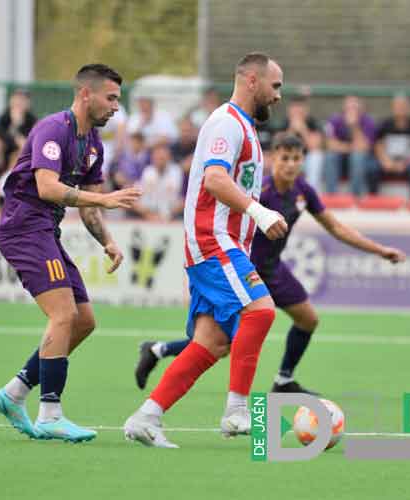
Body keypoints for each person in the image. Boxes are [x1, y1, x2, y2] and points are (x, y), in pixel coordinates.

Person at [133, 133, 405, 394]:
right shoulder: (259, 192)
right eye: (285, 158)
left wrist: (379, 250)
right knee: (217, 343)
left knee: (308, 319)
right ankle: (158, 350)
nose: (290, 164)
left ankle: (284, 380)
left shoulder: (303, 191)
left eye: (296, 158)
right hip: (244, 272)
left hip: (273, 270)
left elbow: (335, 227)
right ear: (274, 158)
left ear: (303, 161)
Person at [123, 52, 287, 449]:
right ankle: (236, 411)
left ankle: (145, 418)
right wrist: (260, 211)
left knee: (212, 343)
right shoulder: (225, 123)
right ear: (251, 80)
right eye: (276, 86)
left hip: (225, 244)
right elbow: (214, 179)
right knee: (261, 311)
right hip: (212, 240)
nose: (279, 96)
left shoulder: (244, 128)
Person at [0, 64, 142, 443]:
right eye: (111, 98)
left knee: (84, 320)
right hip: (23, 227)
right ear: (85, 94)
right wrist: (103, 198)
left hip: (45, 230)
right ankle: (50, 414)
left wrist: (106, 240)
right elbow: (46, 187)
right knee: (63, 314)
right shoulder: (53, 129)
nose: (116, 107)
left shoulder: (94, 145)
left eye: (118, 100)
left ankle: (14, 393)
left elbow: (89, 208)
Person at [373, 94, 410, 194]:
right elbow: (378, 145)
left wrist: (406, 162)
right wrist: (386, 161)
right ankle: (373, 197)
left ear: (408, 107)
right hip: (389, 160)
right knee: (372, 168)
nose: (400, 109)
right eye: (398, 106)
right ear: (393, 108)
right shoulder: (385, 124)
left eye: (403, 106)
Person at [323, 95, 377, 195]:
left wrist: (354, 126)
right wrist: (351, 147)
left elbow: (364, 147)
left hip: (362, 159)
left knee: (357, 157)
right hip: (341, 157)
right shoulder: (334, 120)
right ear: (343, 108)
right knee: (330, 156)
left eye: (354, 108)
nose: (351, 111)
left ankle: (355, 196)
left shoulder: (368, 121)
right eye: (349, 108)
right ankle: (331, 195)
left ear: (361, 109)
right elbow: (330, 145)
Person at [0, 89, 38, 174]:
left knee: (22, 147)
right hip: (6, 147)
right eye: (16, 99)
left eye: (22, 100)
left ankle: (10, 175)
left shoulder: (32, 120)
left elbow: (28, 142)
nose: (18, 103)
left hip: (21, 153)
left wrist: (17, 126)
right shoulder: (4, 116)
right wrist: (14, 128)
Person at [133, 144, 184, 221]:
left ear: (169, 157)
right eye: (158, 157)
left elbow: (185, 198)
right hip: (147, 213)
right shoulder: (146, 171)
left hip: (172, 214)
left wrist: (167, 215)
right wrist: (148, 215)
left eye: (163, 157)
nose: (160, 159)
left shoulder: (177, 171)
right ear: (152, 158)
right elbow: (135, 197)